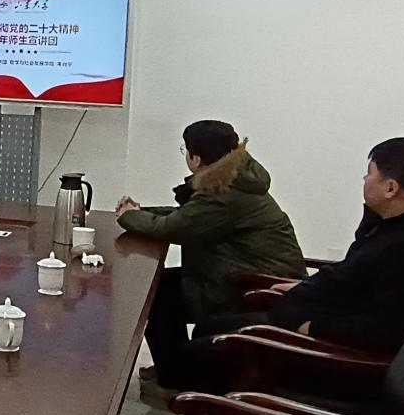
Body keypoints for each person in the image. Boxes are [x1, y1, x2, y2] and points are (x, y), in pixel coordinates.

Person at [115, 121, 306, 389]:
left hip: (251, 290)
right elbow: (189, 217)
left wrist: (128, 216)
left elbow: (173, 228)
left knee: (157, 293)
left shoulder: (224, 192)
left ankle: (175, 377)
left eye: (185, 150)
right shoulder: (237, 177)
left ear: (196, 158)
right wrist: (141, 213)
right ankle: (174, 368)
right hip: (241, 277)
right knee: (160, 287)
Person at [265, 137, 404, 353]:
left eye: (369, 173)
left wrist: (312, 327)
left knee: (228, 335)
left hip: (313, 344)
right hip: (303, 313)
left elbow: (387, 328)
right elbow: (353, 275)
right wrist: (304, 287)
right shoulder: (399, 224)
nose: (364, 179)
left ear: (390, 188)